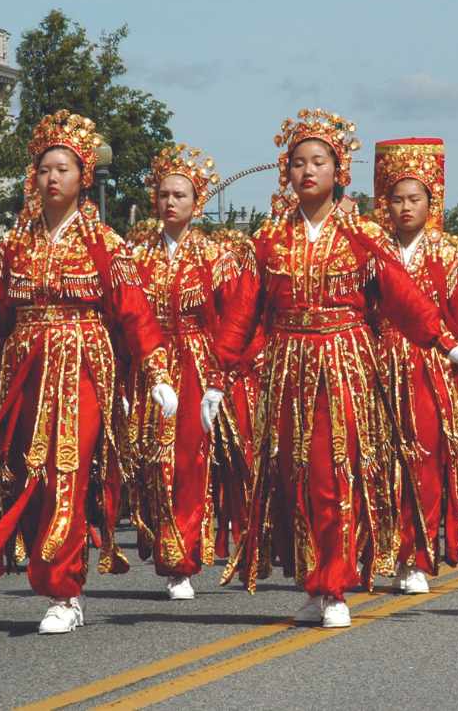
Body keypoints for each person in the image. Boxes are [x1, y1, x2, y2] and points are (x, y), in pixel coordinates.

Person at [219, 110, 458, 629]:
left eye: (319, 161)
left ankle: (335, 584)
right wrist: (217, 376)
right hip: (287, 366)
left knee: (336, 473)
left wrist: (447, 344)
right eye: (298, 162)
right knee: (295, 475)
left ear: (340, 170)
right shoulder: (269, 239)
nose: (308, 170)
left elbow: (404, 299)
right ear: (286, 173)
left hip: (345, 364)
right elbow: (242, 315)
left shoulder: (362, 236)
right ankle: (311, 580)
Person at [0, 110, 176, 633]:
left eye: (64, 168)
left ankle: (64, 591)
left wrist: (157, 374)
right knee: (28, 475)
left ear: (84, 177)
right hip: (27, 370)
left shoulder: (104, 242)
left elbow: (133, 311)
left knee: (69, 468)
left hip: (83, 364)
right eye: (44, 168)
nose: (53, 176)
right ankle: (55, 577)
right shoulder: (15, 243)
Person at [124, 143, 257, 601]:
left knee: (190, 461)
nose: (170, 202)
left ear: (197, 203)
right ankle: (164, 550)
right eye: (163, 194)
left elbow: (237, 317)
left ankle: (183, 559)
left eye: (180, 195)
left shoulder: (214, 256)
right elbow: (125, 316)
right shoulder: (137, 254)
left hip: (197, 365)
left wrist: (221, 378)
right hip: (151, 365)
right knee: (150, 461)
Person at [371, 138, 458, 594]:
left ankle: (417, 556)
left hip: (430, 368)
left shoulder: (446, 253)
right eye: (397, 198)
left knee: (423, 463)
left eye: (414, 198)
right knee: (378, 462)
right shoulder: (372, 250)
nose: (405, 207)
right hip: (378, 367)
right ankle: (381, 551)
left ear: (431, 202)